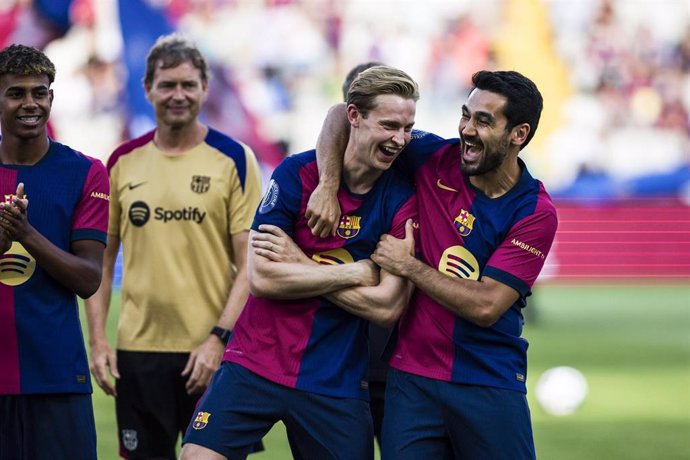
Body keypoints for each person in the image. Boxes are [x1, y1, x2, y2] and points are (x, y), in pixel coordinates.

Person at [308, 70, 558, 459]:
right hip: (412, 381)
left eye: (484, 120)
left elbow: (486, 306)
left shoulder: (534, 212)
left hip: (488, 381)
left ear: (518, 135)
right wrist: (327, 185)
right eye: (466, 114)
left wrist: (409, 267)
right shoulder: (433, 157)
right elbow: (342, 114)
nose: (467, 130)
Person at [180, 65, 419, 460]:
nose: (400, 139)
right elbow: (262, 278)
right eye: (390, 125)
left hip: (335, 380)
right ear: (355, 118)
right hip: (256, 361)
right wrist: (355, 272)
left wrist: (300, 263)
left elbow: (387, 306)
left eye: (408, 127)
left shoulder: (402, 197)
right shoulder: (297, 173)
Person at [83, 34, 263, 460]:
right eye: (167, 85)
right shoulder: (123, 161)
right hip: (138, 353)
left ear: (204, 88)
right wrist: (98, 342)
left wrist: (219, 339)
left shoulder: (234, 158)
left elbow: (250, 262)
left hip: (210, 352)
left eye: (188, 84)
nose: (177, 95)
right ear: (147, 89)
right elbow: (101, 262)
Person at [0, 44, 109, 460]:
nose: (30, 103)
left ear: (51, 97)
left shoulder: (84, 171)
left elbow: (88, 278)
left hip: (57, 377)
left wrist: (26, 235)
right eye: (16, 93)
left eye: (39, 92)